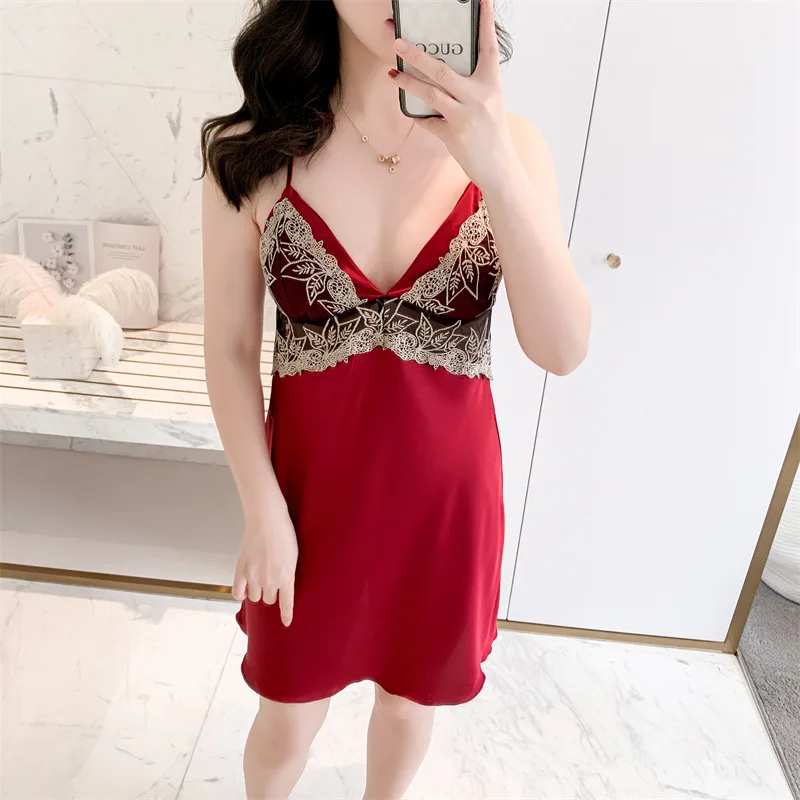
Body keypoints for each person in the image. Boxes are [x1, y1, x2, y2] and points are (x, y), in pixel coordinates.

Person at [200, 0, 590, 797]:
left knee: (410, 706)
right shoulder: (251, 150)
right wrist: (261, 508)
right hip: (306, 501)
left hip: (444, 507)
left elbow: (562, 350)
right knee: (286, 715)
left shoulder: (514, 147)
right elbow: (232, 347)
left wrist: (493, 166)